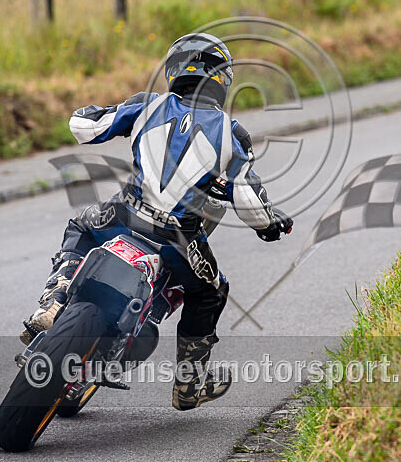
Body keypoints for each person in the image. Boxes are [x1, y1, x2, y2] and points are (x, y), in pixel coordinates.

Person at [19, 32, 293, 410]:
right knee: (212, 291)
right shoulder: (233, 133)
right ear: (222, 77)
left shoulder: (147, 105)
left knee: (80, 227)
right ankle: (189, 385)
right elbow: (249, 201)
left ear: (173, 70)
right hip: (179, 238)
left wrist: (89, 110)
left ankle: (52, 302)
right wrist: (268, 224)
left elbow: (85, 127)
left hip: (123, 215)